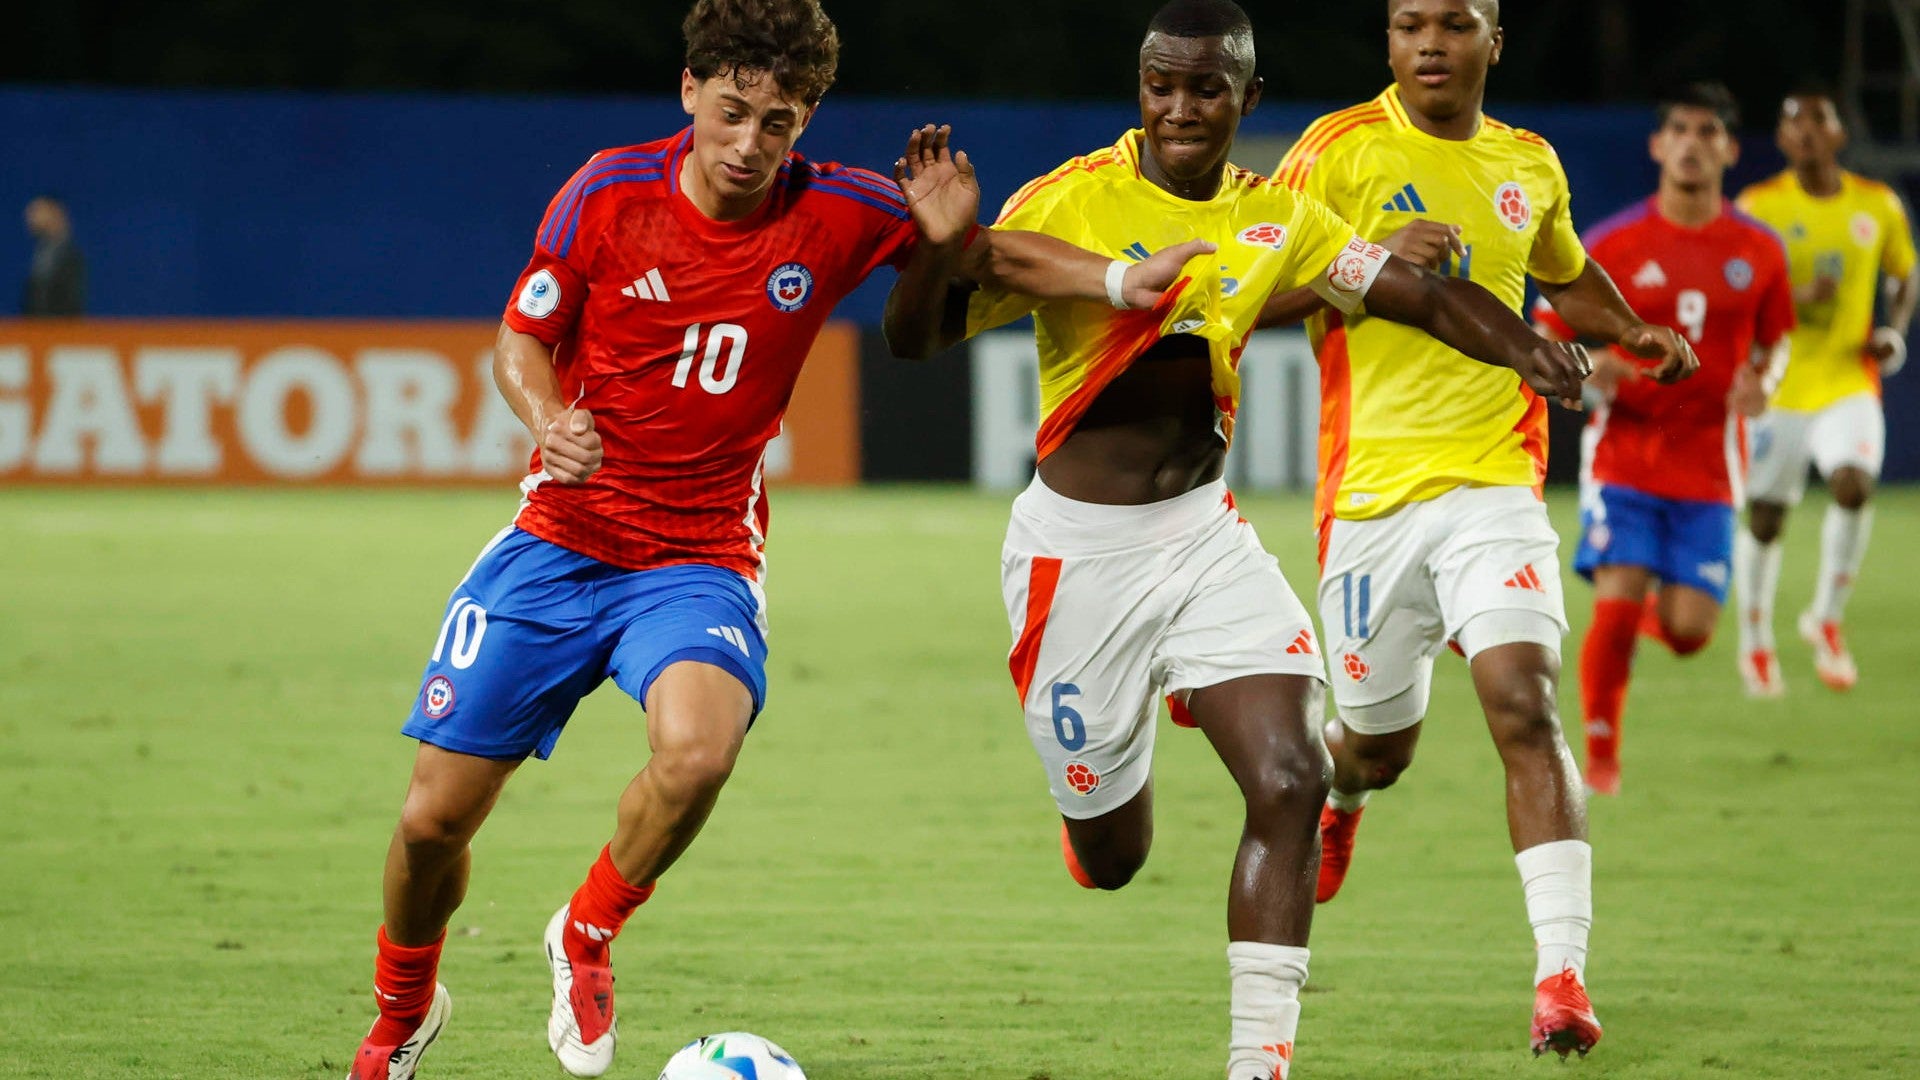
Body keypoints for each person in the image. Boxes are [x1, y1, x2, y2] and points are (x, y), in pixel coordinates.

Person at [341, 2, 1211, 1078]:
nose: (753, 144)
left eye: (781, 123)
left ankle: (590, 926)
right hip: (559, 544)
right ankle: (403, 1012)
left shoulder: (836, 210)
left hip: (700, 555)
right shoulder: (605, 193)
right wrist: (546, 419)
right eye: (736, 112)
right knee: (433, 823)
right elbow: (524, 335)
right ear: (691, 93)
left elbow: (988, 259)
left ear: (806, 124)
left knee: (700, 751)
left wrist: (1120, 281)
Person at [889, 3, 1593, 1075]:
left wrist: (1525, 348)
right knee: (1113, 857)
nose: (1180, 110)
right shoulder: (1072, 200)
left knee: (1292, 778)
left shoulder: (1279, 215)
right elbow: (917, 338)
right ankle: (1110, 784)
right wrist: (941, 252)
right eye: (1161, 87)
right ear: (1140, 91)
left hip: (1204, 539)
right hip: (1075, 558)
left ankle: (1258, 1061)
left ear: (1246, 100)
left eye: (1206, 90)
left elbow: (1413, 293)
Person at [1263, 0, 1697, 1058]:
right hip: (1368, 502)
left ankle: (1561, 977)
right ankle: (1346, 793)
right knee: (1378, 744)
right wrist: (1365, 259)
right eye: (1410, 22)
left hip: (1496, 483)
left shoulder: (1529, 163)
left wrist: (1628, 327)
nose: (1430, 44)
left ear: (1493, 41)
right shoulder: (1336, 151)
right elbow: (1247, 284)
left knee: (1523, 702)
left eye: (1455, 23)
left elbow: (1562, 274)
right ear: (1387, 40)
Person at [1534, 82, 1795, 795]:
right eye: (1678, 128)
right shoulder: (1616, 243)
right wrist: (1596, 369)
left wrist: (1765, 381)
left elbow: (1778, 343)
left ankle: (1638, 621)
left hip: (1711, 467)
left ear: (1730, 150)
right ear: (1657, 145)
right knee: (1616, 600)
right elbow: (1547, 335)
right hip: (1626, 458)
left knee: (1688, 632)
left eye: (1707, 131)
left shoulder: (1760, 250)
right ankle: (1601, 757)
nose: (1690, 142)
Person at [1731, 86, 1918, 695]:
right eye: (1793, 123)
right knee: (1766, 518)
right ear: (1781, 140)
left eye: (1819, 120)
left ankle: (1827, 619)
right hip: (1780, 385)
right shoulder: (1759, 206)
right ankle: (1755, 641)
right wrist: (1784, 301)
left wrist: (1893, 330)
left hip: (1846, 378)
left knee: (1853, 484)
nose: (1807, 131)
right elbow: (1735, 290)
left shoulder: (1878, 205)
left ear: (1840, 133)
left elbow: (1904, 275)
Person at [22, 194, 85, 316]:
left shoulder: (70, 256)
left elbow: (70, 303)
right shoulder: (43, 252)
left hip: (58, 332)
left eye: (37, 211)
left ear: (55, 213)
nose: (30, 217)